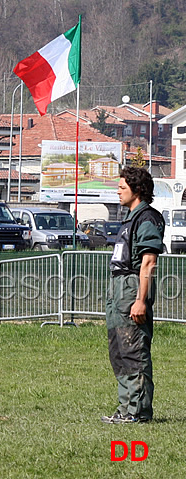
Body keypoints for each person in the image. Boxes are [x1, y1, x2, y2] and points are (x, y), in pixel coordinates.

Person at [101, 167, 165, 424]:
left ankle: (137, 411)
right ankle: (126, 408)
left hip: (131, 288)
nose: (117, 191)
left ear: (137, 190)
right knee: (119, 350)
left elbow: (148, 262)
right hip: (118, 287)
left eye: (122, 188)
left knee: (134, 350)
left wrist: (140, 300)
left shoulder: (147, 218)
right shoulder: (130, 217)